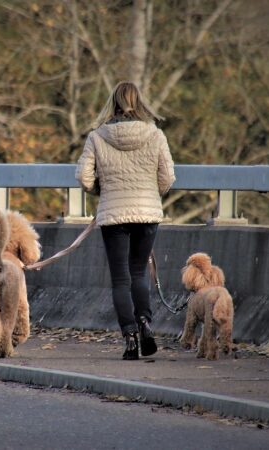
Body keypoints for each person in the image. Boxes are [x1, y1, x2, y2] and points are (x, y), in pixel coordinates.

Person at [75, 81, 176, 360]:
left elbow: (83, 178)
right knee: (139, 272)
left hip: (113, 214)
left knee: (120, 278)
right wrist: (149, 191)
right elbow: (167, 179)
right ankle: (145, 323)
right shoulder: (155, 135)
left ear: (113, 103)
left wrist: (102, 189)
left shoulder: (97, 136)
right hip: (146, 213)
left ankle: (130, 337)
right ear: (139, 102)